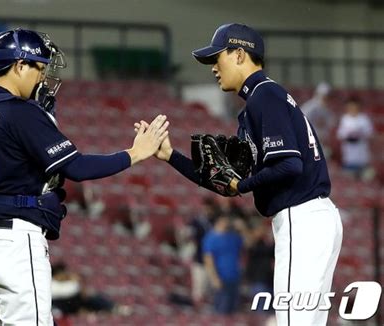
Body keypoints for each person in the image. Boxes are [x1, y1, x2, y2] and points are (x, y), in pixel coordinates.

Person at [0, 28, 169, 325]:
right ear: (19, 65)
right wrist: (134, 153)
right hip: (15, 240)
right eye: (39, 67)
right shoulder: (19, 111)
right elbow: (76, 168)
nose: (42, 76)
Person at [135, 23, 342, 326]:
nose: (213, 68)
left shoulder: (264, 95)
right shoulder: (258, 102)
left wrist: (242, 183)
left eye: (217, 58)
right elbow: (226, 185)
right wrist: (170, 156)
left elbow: (288, 166)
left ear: (240, 54)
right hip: (309, 218)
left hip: (303, 217)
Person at [202, 215, 249, 315]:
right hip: (221, 278)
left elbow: (248, 243)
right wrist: (214, 278)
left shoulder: (234, 237)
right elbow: (208, 260)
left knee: (234, 310)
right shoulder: (211, 238)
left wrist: (243, 228)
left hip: (235, 277)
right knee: (222, 309)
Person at [336, 96, 374, 179]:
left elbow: (370, 134)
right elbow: (340, 135)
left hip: (362, 157)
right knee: (350, 180)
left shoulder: (364, 119)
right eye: (350, 107)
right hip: (349, 157)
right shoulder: (345, 119)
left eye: (354, 106)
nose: (353, 109)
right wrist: (349, 135)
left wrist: (359, 133)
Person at [300, 82, 335, 154]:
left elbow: (331, 124)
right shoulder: (310, 107)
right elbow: (300, 121)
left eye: (327, 96)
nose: (326, 98)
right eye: (324, 96)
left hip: (322, 143)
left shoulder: (327, 110)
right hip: (309, 143)